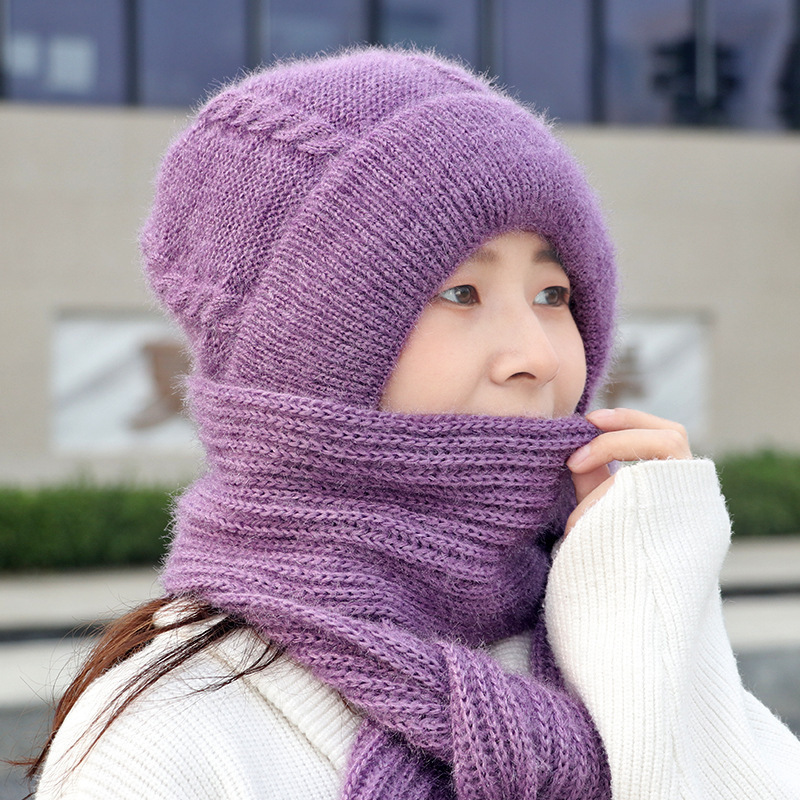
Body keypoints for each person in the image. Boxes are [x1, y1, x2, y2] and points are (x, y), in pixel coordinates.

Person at [29, 47, 800, 800]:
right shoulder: (171, 730)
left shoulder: (608, 620)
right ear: (308, 357)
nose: (535, 355)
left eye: (554, 294)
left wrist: (658, 610)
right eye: (462, 295)